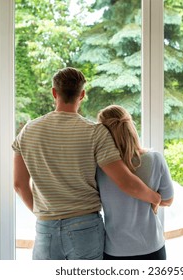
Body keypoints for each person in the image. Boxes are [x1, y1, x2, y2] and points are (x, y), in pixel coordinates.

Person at [12, 67, 161, 260]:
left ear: (54, 92)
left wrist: (44, 216)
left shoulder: (28, 130)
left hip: (45, 228)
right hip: (85, 228)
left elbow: (19, 184)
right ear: (82, 94)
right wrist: (155, 198)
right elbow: (126, 182)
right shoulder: (95, 132)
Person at [97, 105, 174, 260]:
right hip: (152, 247)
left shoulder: (99, 167)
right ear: (130, 126)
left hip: (115, 249)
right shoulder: (155, 159)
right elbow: (168, 200)